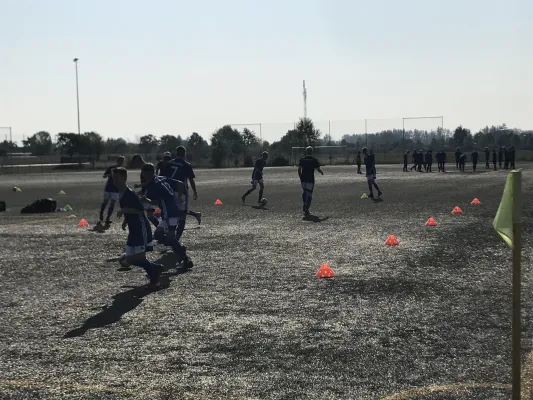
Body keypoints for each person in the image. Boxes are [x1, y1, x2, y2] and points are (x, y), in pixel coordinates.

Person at [113, 167, 163, 290]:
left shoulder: (130, 194)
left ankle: (155, 281)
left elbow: (140, 210)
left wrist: (124, 211)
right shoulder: (121, 193)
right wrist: (125, 220)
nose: (114, 181)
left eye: (117, 178)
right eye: (113, 178)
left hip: (141, 228)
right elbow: (130, 210)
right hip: (133, 230)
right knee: (131, 259)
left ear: (124, 178)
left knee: (137, 258)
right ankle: (154, 268)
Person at [141, 164, 193, 270]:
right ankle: (180, 251)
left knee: (165, 237)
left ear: (147, 173)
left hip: (169, 214)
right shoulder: (161, 178)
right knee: (161, 235)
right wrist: (178, 197)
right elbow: (180, 183)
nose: (143, 175)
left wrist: (146, 200)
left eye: (143, 173)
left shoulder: (153, 186)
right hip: (172, 211)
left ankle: (184, 256)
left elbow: (156, 202)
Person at [160, 146, 201, 240]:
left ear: (176, 153)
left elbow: (162, 177)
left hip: (169, 191)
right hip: (181, 192)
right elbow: (191, 180)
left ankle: (171, 234)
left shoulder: (169, 163)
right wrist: (195, 191)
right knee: (182, 215)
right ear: (184, 153)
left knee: (171, 214)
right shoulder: (186, 164)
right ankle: (176, 238)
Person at [99, 156, 125, 225]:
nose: (122, 162)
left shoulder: (122, 170)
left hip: (116, 189)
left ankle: (108, 218)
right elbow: (104, 176)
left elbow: (124, 179)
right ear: (117, 161)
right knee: (105, 202)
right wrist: (110, 174)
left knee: (112, 204)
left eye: (123, 161)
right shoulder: (111, 168)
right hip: (108, 188)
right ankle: (101, 212)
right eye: (120, 161)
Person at [298, 146, 323, 216]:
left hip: (303, 179)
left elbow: (299, 169)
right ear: (312, 152)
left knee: (304, 192)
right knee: (309, 195)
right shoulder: (314, 160)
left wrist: (300, 177)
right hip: (310, 179)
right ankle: (307, 209)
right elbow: (318, 169)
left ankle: (304, 204)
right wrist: (322, 172)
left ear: (306, 151)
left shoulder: (302, 160)